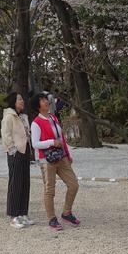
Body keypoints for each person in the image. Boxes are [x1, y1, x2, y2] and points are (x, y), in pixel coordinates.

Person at [30, 92, 80, 231]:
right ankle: (51, 218)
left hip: (61, 156)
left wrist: (68, 155)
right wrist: (52, 142)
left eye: (45, 99)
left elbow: (62, 138)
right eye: (42, 100)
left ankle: (66, 212)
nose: (46, 101)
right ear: (38, 106)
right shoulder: (36, 123)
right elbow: (35, 144)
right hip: (47, 160)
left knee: (73, 185)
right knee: (49, 190)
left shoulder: (53, 117)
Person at [1, 90, 34, 229]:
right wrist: (12, 150)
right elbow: (6, 135)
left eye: (22, 99)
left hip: (26, 151)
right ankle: (13, 216)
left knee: (25, 182)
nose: (22, 101)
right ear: (13, 102)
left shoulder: (23, 116)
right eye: (19, 99)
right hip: (16, 153)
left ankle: (22, 213)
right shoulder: (9, 116)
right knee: (15, 183)